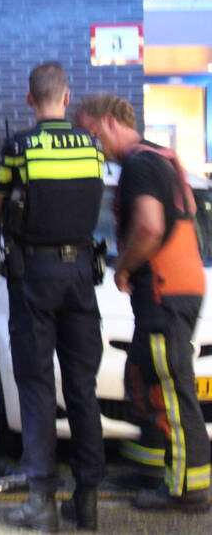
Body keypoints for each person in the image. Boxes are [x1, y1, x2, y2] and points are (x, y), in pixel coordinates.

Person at [0, 63, 105, 531]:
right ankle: (88, 500)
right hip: (80, 273)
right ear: (67, 97)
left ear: (29, 100)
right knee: (82, 387)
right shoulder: (93, 146)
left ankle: (42, 502)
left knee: (36, 385)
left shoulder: (19, 147)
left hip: (34, 273)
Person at [76, 93, 211, 513]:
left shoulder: (139, 165)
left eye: (90, 133)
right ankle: (152, 465)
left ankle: (189, 489)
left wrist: (123, 268)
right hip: (177, 287)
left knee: (171, 387)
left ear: (109, 123)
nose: (90, 142)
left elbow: (150, 226)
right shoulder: (163, 159)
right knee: (143, 374)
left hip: (163, 291)